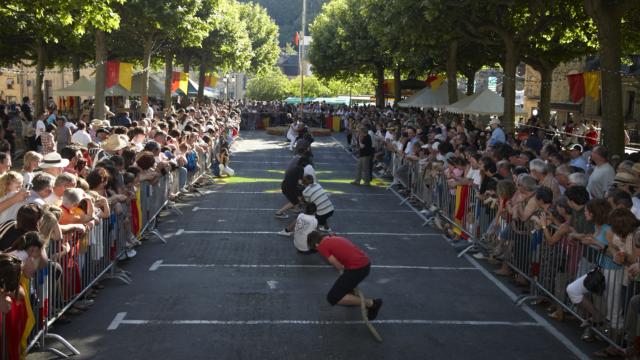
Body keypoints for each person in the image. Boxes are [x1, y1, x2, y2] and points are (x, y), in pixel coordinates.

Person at [307, 231, 383, 320]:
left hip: (357, 269)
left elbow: (338, 266)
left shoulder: (322, 246)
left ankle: (372, 303)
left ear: (316, 244)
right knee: (344, 282)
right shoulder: (332, 237)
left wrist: (341, 268)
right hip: (364, 264)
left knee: (333, 297)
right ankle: (351, 295)